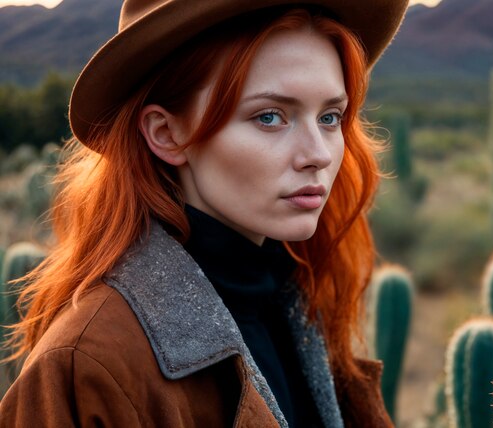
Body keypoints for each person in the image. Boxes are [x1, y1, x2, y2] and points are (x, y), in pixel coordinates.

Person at [0, 0, 408, 426]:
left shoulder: (301, 305)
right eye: (270, 117)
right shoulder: (88, 365)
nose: (319, 154)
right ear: (167, 134)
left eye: (329, 117)